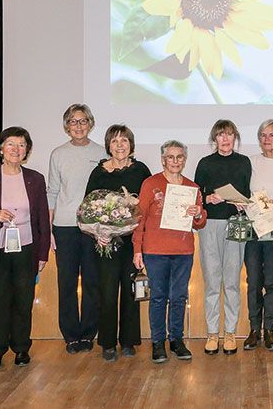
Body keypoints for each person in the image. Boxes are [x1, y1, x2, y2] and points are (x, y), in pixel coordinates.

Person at [0, 127, 50, 370]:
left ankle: (21, 348)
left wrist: (43, 253)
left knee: (24, 301)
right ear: (1, 149)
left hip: (26, 248)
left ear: (27, 150)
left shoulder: (35, 179)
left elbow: (42, 222)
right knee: (0, 300)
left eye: (22, 145)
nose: (16, 149)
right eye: (11, 144)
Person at [132, 140, 206, 364]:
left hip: (183, 251)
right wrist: (137, 250)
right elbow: (139, 218)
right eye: (170, 157)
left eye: (180, 157)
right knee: (158, 298)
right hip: (155, 251)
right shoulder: (150, 183)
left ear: (184, 160)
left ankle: (176, 340)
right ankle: (157, 343)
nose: (175, 161)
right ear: (163, 160)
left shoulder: (192, 187)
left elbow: (200, 223)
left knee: (179, 297)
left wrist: (198, 213)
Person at [84, 125, 151, 361]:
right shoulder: (99, 172)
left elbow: (147, 205)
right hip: (106, 242)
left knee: (132, 289)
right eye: (115, 141)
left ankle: (129, 341)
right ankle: (108, 342)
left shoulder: (141, 170)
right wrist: (98, 232)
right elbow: (88, 208)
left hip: (133, 241)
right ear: (108, 146)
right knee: (108, 291)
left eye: (124, 140)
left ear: (131, 145)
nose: (120, 145)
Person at [46, 104, 105, 354]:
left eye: (82, 121)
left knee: (93, 282)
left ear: (90, 124)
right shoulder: (57, 154)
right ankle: (71, 335)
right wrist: (49, 230)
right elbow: (53, 192)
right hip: (65, 227)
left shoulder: (103, 153)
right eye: (73, 121)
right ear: (66, 126)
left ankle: (88, 333)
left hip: (93, 229)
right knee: (67, 283)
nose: (78, 126)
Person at [194, 120, 252, 355]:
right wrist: (209, 198)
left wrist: (241, 204)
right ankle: (211, 333)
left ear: (235, 137)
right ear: (214, 139)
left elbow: (247, 194)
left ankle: (229, 332)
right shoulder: (205, 163)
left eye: (229, 135)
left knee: (231, 281)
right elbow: (197, 196)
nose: (225, 139)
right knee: (211, 281)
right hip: (210, 226)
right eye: (220, 135)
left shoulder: (243, 162)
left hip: (236, 225)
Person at [242, 120, 273, 351]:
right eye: (262, 135)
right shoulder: (250, 162)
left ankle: (269, 329)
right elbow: (241, 191)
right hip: (253, 229)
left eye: (271, 135)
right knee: (253, 281)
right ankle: (253, 330)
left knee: (272, 280)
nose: (267, 139)